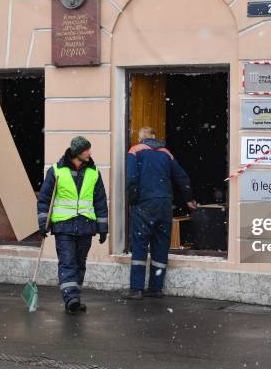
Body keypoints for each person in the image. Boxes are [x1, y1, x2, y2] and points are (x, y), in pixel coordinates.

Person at [122, 126, 197, 300]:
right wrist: (188, 198)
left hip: (145, 203)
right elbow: (182, 177)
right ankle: (156, 288)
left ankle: (136, 289)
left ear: (141, 138)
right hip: (164, 203)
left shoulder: (135, 150)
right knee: (161, 244)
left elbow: (131, 178)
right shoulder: (167, 153)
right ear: (155, 138)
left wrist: (134, 200)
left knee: (140, 243)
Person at [37, 136, 108, 313]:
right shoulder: (56, 171)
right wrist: (43, 223)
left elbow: (100, 201)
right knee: (68, 262)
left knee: (79, 263)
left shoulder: (93, 172)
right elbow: (44, 199)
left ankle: (75, 295)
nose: (90, 153)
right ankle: (71, 298)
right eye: (87, 150)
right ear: (78, 152)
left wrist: (103, 228)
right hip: (64, 226)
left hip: (85, 226)